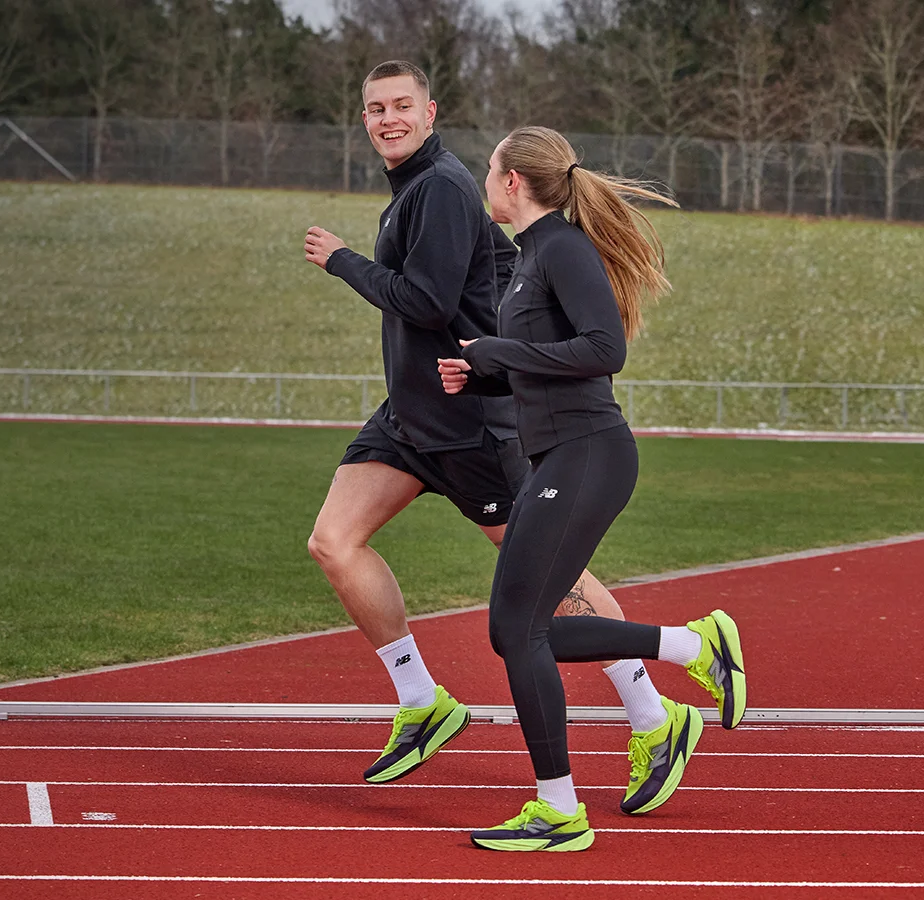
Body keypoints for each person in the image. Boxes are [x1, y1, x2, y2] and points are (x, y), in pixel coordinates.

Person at [301, 59, 703, 815]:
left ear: (430, 112)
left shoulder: (443, 187)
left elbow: (426, 303)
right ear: (363, 118)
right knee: (334, 540)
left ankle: (655, 714)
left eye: (402, 105)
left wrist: (342, 261)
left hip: (473, 424)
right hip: (412, 415)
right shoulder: (410, 193)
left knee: (547, 580)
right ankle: (422, 701)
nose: (389, 119)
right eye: (376, 109)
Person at [436, 126, 747, 852]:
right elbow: (547, 361)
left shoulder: (563, 248)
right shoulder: (530, 256)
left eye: (489, 170)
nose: (485, 181)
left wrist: (500, 349)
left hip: (588, 455)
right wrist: (482, 373)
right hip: (561, 458)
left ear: (513, 182)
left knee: (519, 631)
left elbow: (605, 349)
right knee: (516, 631)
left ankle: (559, 809)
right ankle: (692, 645)